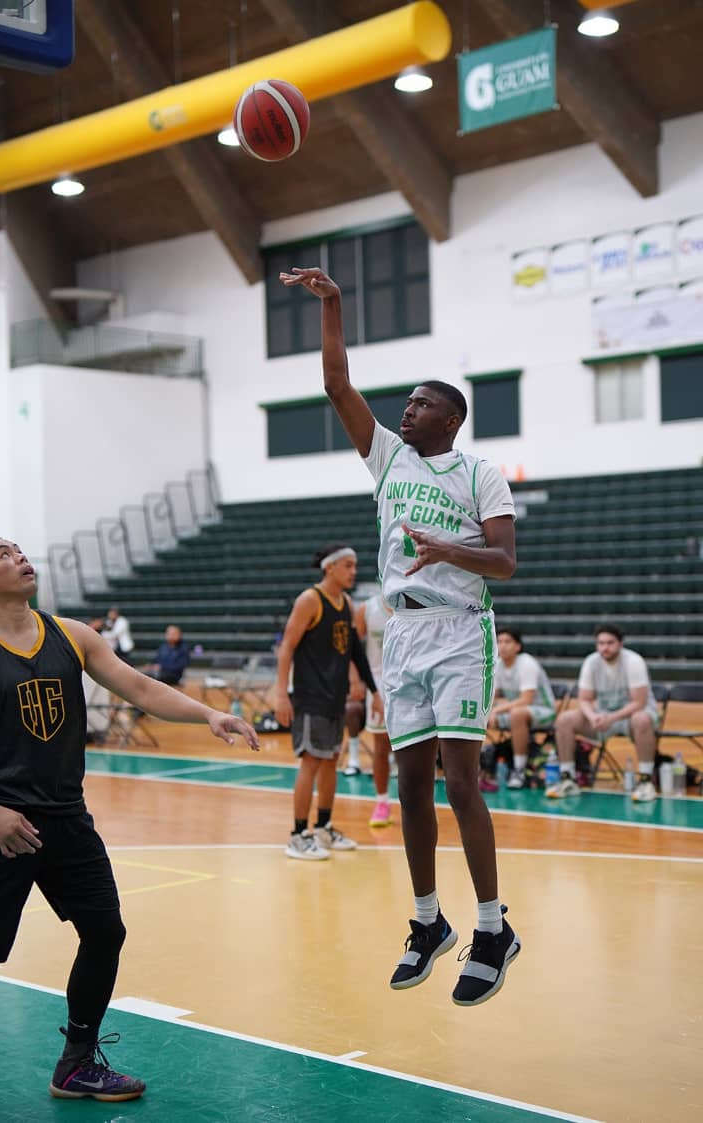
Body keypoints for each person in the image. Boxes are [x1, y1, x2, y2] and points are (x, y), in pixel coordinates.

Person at [279, 266, 520, 1006]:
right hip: (402, 636)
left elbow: (506, 563)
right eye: (407, 403)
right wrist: (335, 305)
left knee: (457, 781)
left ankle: (491, 928)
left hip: (458, 631)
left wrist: (447, 549)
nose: (406, 411)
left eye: (420, 404)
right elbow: (336, 386)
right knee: (410, 784)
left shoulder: (480, 473)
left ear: (450, 418)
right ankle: (427, 923)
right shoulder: (389, 459)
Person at [0, 534, 259, 1102]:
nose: (20, 557)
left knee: (105, 932)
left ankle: (77, 1063)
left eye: (19, 549)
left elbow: (138, 687)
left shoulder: (71, 635)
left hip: (65, 820)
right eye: (2, 555)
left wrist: (209, 714)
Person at [274, 542, 382, 861]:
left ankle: (323, 826)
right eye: (347, 566)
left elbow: (355, 651)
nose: (353, 571)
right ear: (330, 568)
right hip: (310, 697)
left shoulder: (346, 602)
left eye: (355, 566)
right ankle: (297, 834)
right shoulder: (310, 600)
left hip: (335, 696)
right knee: (311, 760)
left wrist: (374, 690)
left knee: (331, 760)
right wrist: (281, 693)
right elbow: (286, 648)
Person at [547, 623, 659, 802]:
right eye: (600, 643)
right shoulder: (591, 662)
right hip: (603, 716)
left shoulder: (633, 661)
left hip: (631, 717)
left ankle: (646, 781)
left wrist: (611, 718)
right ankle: (568, 778)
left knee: (642, 719)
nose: (604, 648)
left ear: (620, 644)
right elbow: (584, 699)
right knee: (564, 719)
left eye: (609, 643)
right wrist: (593, 716)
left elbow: (639, 702)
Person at [487, 629, 556, 790]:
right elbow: (492, 697)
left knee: (516, 714)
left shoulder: (527, 663)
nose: (502, 646)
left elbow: (527, 699)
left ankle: (519, 770)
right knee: (478, 713)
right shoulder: (497, 663)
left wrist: (497, 710)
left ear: (518, 646)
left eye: (507, 641)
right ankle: (484, 768)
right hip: (516, 711)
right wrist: (489, 710)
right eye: (499, 641)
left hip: (544, 711)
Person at [355, 590, 395, 826]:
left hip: (412, 682)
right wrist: (354, 679)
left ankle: (416, 802)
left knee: (415, 748)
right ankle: (382, 802)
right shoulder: (367, 609)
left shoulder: (417, 602)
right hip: (378, 683)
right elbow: (352, 647)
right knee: (381, 747)